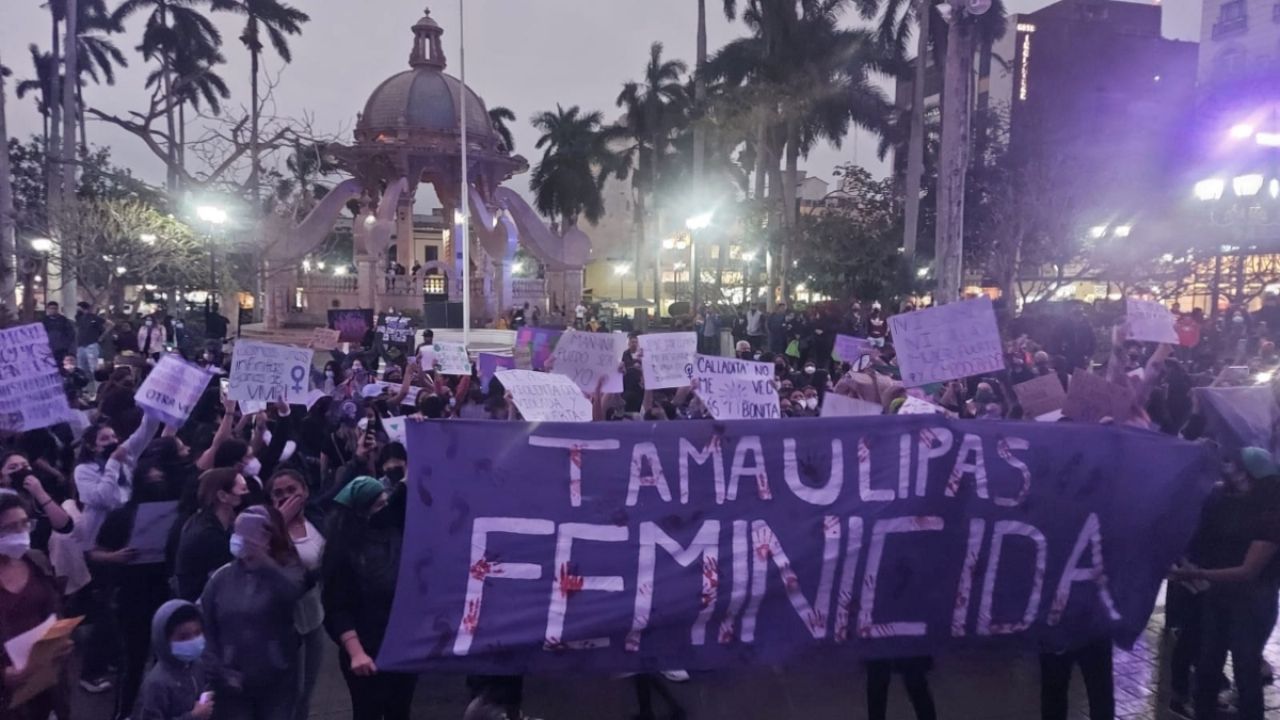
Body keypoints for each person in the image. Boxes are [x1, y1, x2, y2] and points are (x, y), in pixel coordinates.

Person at [1173, 447, 1280, 720]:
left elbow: (1248, 571)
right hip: (1223, 596)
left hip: (1250, 600)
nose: (1231, 472)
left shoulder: (1270, 515)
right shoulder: (1224, 499)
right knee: (1212, 665)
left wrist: (1199, 575)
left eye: (1238, 468)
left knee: (1244, 669)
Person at [322, 476, 415, 720]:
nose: (386, 509)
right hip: (367, 650)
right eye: (378, 505)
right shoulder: (342, 551)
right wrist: (356, 653)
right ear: (361, 512)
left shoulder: (393, 533)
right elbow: (337, 607)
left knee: (399, 712)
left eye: (387, 502)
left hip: (401, 646)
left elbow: (404, 492)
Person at [200, 506, 306, 720]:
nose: (239, 539)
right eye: (236, 533)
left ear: (266, 537)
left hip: (277, 680)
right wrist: (220, 671)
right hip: (232, 684)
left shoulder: (287, 570)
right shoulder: (220, 579)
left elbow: (291, 593)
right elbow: (205, 629)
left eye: (246, 533)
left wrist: (265, 562)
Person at [0, 492, 74, 720]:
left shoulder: (36, 560)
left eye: (24, 523)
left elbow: (52, 610)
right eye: (10, 527)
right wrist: (4, 676)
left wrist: (60, 639)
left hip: (45, 680)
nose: (21, 533)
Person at [266, 470, 326, 720]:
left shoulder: (316, 517)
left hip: (314, 619)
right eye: (278, 493)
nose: (285, 497)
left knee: (306, 692)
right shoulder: (266, 530)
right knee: (291, 692)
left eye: (291, 490)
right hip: (285, 626)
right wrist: (279, 523)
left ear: (305, 491)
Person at [173, 469, 247, 601]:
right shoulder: (208, 535)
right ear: (223, 496)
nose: (246, 495)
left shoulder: (202, 520)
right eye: (242, 490)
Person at [134, 600, 214, 720]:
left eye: (197, 633)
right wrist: (193, 716)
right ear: (164, 641)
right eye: (183, 637)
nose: (193, 641)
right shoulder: (156, 683)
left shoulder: (196, 665)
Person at [75, 302, 108, 395]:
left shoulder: (94, 317)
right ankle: (86, 389)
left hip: (91, 344)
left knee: (94, 367)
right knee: (82, 368)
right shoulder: (79, 318)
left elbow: (109, 324)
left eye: (79, 308)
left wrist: (101, 337)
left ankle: (98, 389)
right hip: (81, 345)